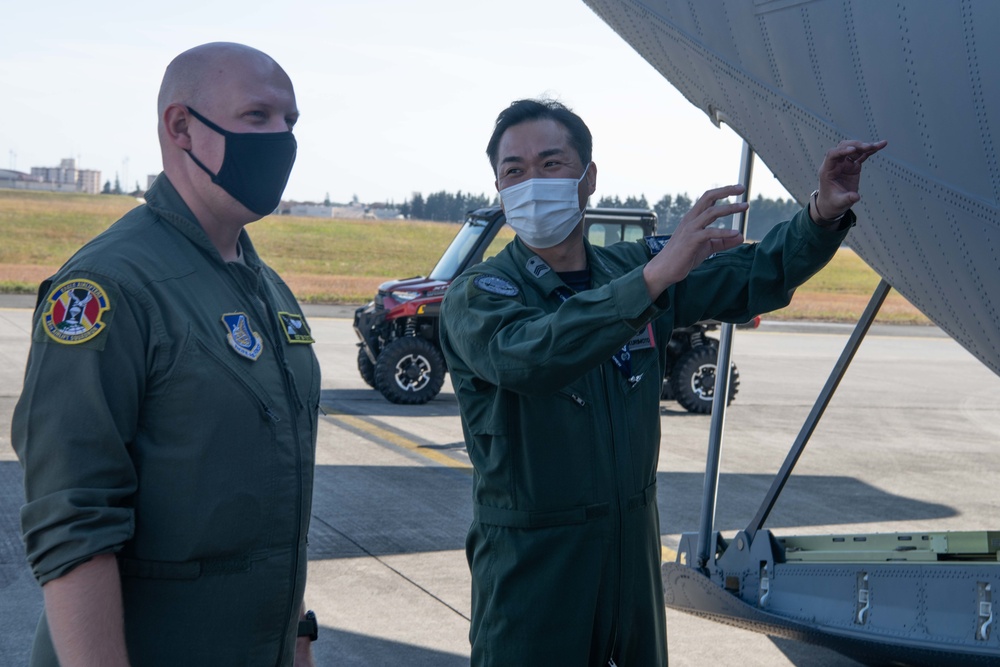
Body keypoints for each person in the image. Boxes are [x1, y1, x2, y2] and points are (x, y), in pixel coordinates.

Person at [439, 98, 886, 666]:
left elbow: (752, 275)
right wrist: (649, 282)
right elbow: (533, 357)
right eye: (514, 171)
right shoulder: (480, 293)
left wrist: (820, 215)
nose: (532, 182)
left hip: (630, 551)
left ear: (587, 177)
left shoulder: (634, 269)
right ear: (499, 190)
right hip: (534, 564)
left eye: (551, 164)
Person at [12, 43, 320, 667]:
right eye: (258, 116)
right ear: (181, 128)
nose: (282, 138)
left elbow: (270, 505)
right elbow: (73, 524)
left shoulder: (265, 287)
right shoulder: (111, 286)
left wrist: (297, 638)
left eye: (290, 121)